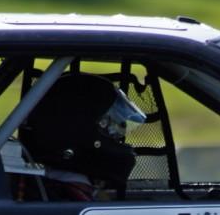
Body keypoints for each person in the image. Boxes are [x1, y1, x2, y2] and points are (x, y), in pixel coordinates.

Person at [19, 73, 146, 201]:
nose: (116, 138)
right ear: (79, 129)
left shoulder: (43, 192)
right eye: (108, 130)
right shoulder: (73, 201)